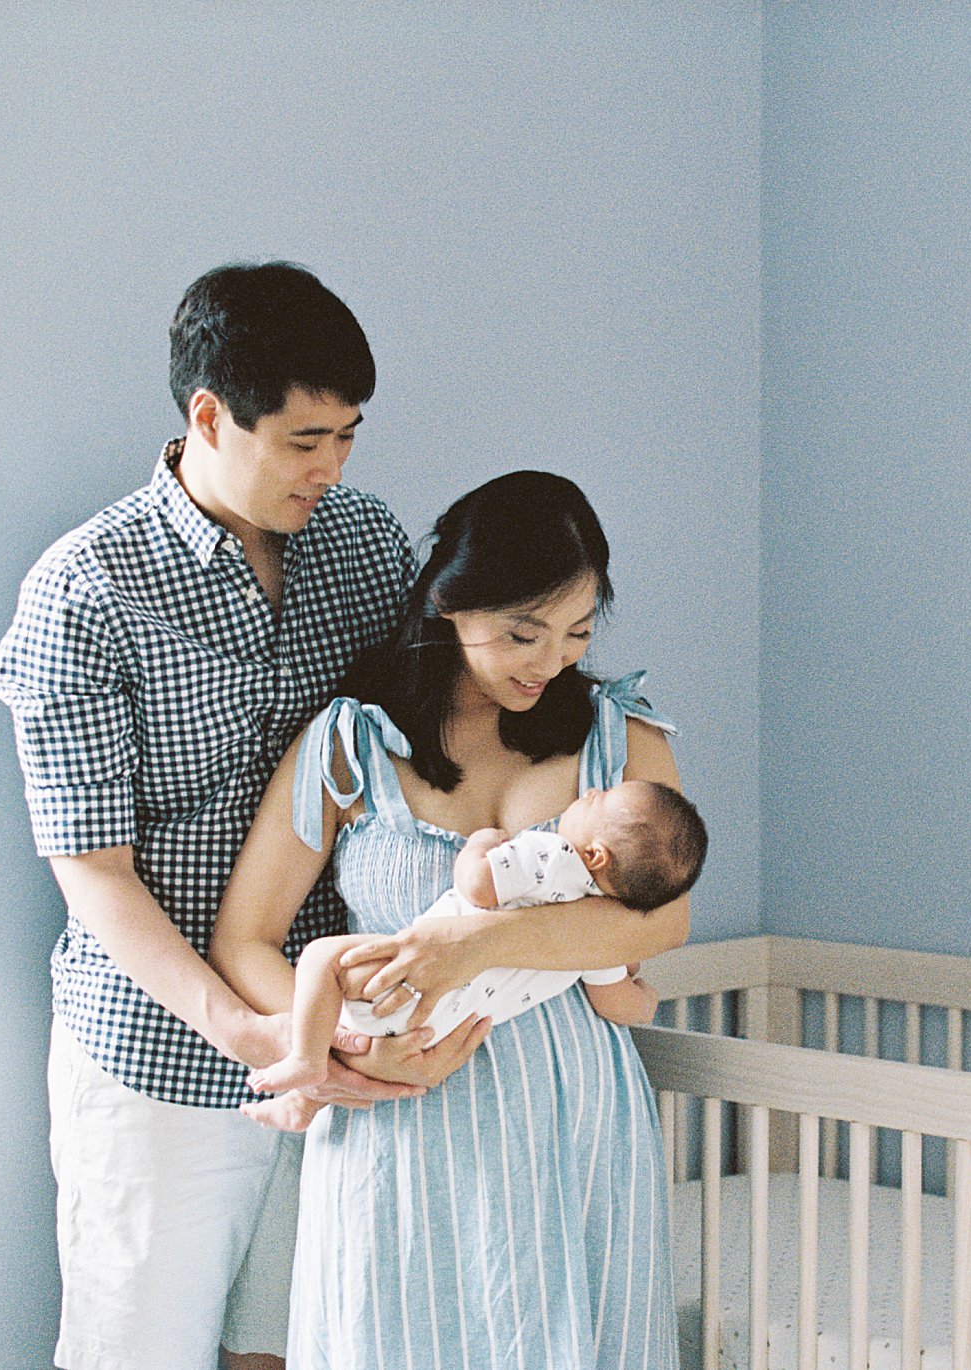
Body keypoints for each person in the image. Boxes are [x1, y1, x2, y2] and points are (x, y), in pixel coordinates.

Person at [0, 262, 481, 1370]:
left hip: (342, 1037)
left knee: (309, 1345)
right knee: (136, 1349)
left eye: (349, 435)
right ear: (208, 415)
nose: (332, 466)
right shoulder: (85, 591)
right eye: (304, 439)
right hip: (160, 1053)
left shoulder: (362, 546)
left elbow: (421, 748)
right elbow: (96, 874)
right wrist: (250, 1032)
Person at [211, 470, 691, 1369]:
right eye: (522, 631)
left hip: (573, 1121)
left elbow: (658, 923)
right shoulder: (353, 745)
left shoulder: (617, 739)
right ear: (447, 600)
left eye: (576, 632)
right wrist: (348, 1046)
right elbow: (244, 936)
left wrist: (477, 941)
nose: (548, 661)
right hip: (402, 1119)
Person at [223, 777, 707, 1121]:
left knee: (320, 957)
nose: (588, 794)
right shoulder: (598, 940)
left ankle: (308, 1059)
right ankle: (304, 1103)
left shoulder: (552, 857)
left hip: (402, 983)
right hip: (438, 1033)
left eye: (597, 800)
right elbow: (617, 1005)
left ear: (595, 854)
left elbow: (478, 886)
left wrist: (481, 843)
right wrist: (645, 995)